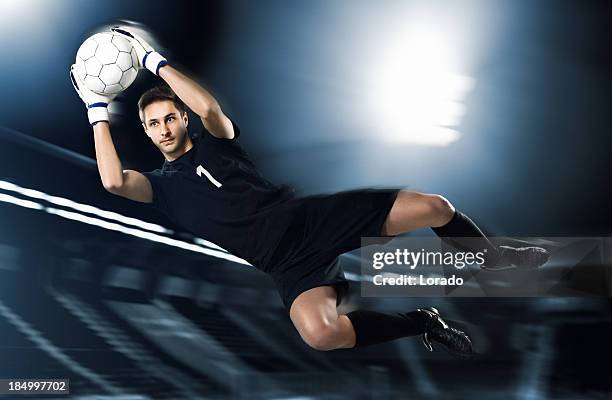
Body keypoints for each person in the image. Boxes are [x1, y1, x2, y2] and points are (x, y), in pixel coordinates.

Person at [70, 26, 549, 358]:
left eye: (170, 117)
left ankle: (489, 258)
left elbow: (210, 108)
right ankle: (422, 321)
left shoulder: (217, 143)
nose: (164, 127)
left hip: (308, 220)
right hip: (286, 264)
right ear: (147, 131)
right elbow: (113, 180)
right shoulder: (162, 188)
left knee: (433, 207)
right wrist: (96, 107)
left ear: (182, 118)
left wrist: (154, 62)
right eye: (153, 124)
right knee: (321, 335)